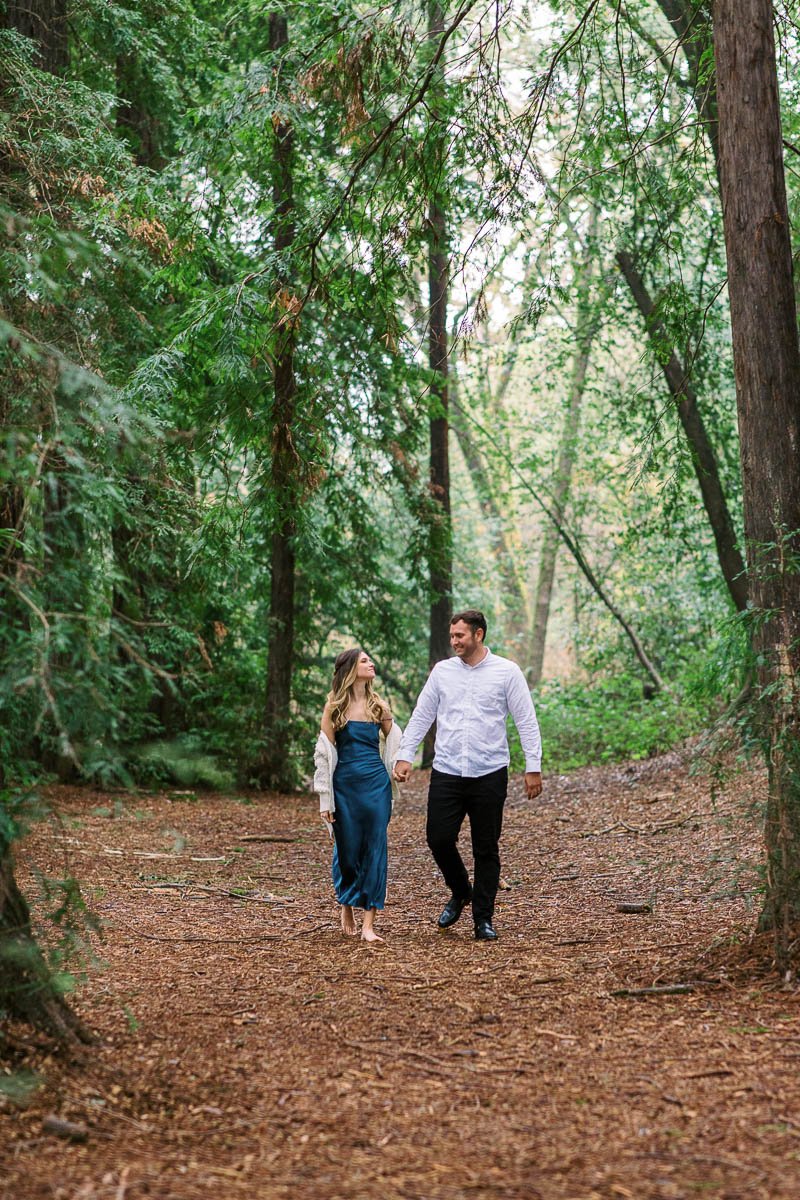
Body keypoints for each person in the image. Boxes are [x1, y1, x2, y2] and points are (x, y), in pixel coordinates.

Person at [393, 610, 542, 941]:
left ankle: (483, 919)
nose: (454, 641)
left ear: (479, 635)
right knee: (438, 838)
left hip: (490, 772)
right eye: (451, 636)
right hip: (447, 771)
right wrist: (405, 755)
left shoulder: (507, 672)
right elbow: (422, 715)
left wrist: (533, 766)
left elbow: (526, 720)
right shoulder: (442, 672)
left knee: (485, 848)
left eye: (460, 635)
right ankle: (461, 890)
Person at [313, 648, 402, 943]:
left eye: (370, 659)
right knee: (347, 849)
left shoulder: (379, 706)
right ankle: (346, 903)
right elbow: (324, 754)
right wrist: (325, 799)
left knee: (375, 846)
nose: (371, 663)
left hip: (375, 784)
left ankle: (369, 925)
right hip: (345, 786)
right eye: (365, 660)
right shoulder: (334, 707)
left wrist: (398, 765)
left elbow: (397, 739)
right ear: (350, 668)